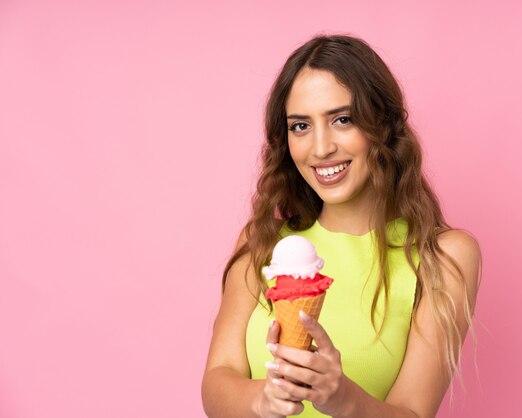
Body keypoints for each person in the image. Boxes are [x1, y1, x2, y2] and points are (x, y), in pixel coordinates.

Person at [201, 34, 481, 418]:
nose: (320, 148)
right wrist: (262, 400)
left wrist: (345, 398)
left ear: (382, 125)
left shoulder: (443, 256)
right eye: (300, 126)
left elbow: (413, 412)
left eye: (342, 119)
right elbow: (218, 379)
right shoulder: (261, 242)